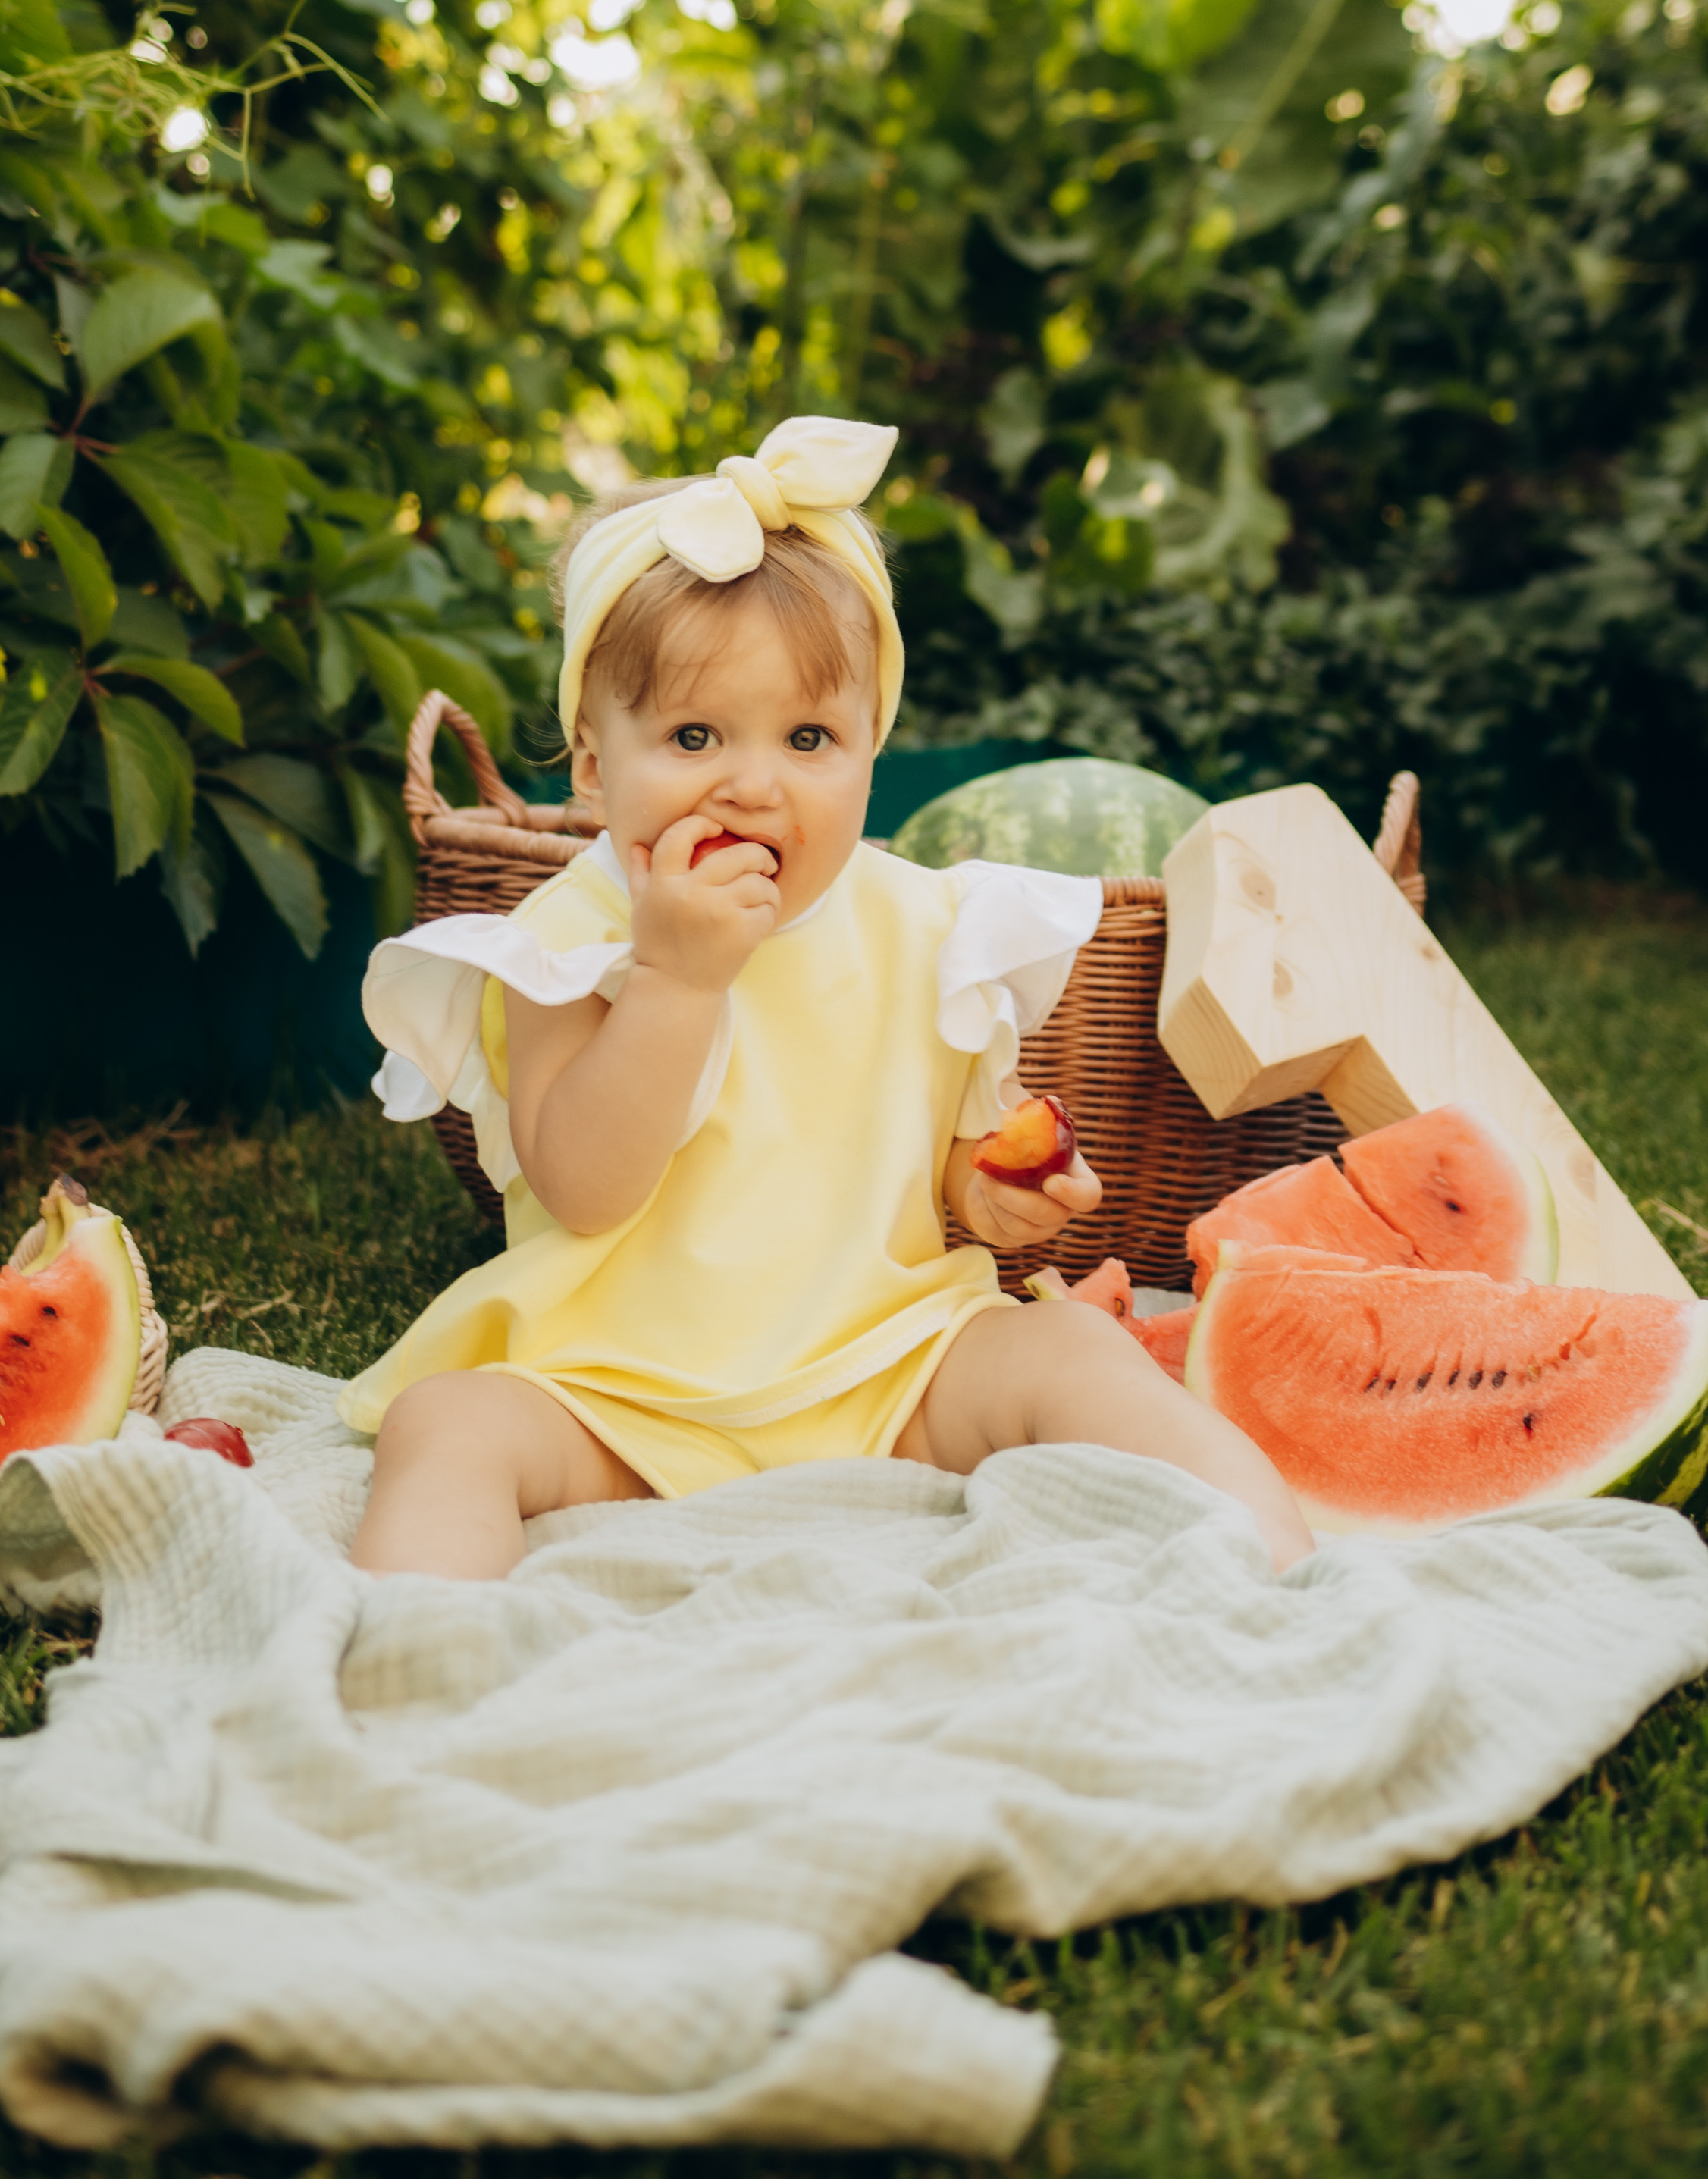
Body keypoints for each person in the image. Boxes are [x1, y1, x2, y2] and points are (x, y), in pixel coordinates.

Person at [343, 418, 1315, 1579]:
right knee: (448, 1423)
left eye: (809, 738)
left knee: (1071, 1351)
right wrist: (675, 980)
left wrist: (991, 1192)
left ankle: (1277, 1561)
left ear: (870, 753)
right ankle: (424, 1635)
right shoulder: (560, 943)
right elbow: (585, 1190)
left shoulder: (929, 923)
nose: (754, 785)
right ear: (595, 767)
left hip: (884, 1361)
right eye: (693, 735)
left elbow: (938, 1161)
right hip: (618, 1387)